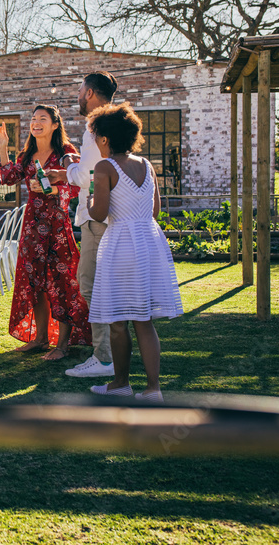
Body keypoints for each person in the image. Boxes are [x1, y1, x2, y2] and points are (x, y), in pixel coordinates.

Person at [86, 103, 183, 402]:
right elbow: (154, 209)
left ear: (104, 139)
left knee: (117, 320)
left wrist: (90, 199)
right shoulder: (146, 164)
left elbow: (100, 214)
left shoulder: (104, 168)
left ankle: (120, 383)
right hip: (148, 242)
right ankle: (153, 388)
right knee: (144, 319)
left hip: (121, 245)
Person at [0, 105, 90, 360]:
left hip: (57, 226)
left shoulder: (66, 153)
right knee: (35, 281)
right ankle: (40, 339)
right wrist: (3, 148)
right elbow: (8, 177)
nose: (36, 123)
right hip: (33, 226)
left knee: (62, 283)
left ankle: (63, 344)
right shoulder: (28, 154)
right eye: (33, 119)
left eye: (42, 119)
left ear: (55, 125)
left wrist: (56, 191)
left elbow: (79, 184)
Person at [45, 71, 118, 379]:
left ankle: (104, 358)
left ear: (89, 92)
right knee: (106, 288)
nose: (77, 96)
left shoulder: (95, 127)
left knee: (90, 285)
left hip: (96, 218)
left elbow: (90, 172)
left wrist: (67, 168)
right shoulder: (119, 123)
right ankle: (112, 353)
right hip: (114, 218)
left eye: (79, 90)